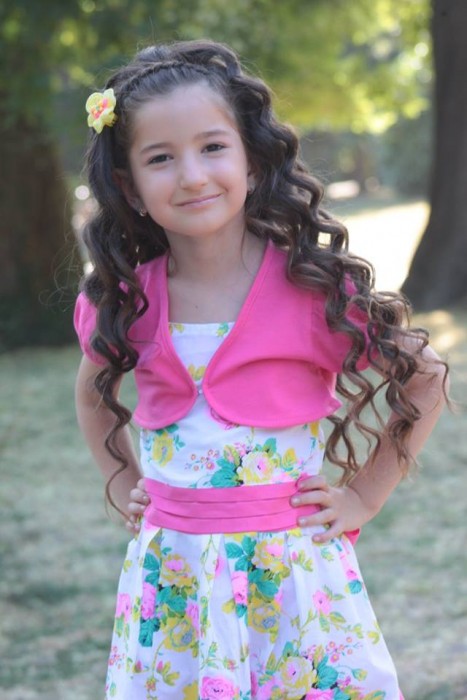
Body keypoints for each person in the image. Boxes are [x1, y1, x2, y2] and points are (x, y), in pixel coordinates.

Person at [74, 39, 447, 700]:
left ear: (252, 161)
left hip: (294, 579)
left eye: (212, 147)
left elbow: (426, 376)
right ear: (130, 187)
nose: (192, 175)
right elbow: (92, 396)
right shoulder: (125, 300)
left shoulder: (312, 290)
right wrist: (125, 480)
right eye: (161, 158)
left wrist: (363, 496)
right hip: (176, 580)